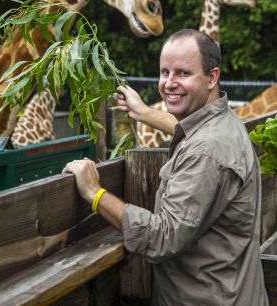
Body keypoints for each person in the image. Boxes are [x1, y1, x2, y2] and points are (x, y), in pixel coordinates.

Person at [63, 29, 268, 306]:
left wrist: (93, 193)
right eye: (164, 72)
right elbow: (192, 133)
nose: (169, 83)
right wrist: (143, 112)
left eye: (183, 73)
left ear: (212, 77)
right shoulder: (223, 121)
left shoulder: (207, 152)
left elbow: (162, 237)